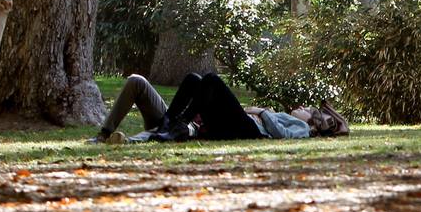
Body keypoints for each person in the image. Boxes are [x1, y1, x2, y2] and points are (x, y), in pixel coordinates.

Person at [87, 72, 312, 143]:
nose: (303, 107)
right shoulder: (284, 114)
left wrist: (262, 112)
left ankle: (171, 127)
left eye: (308, 109)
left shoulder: (303, 127)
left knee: (212, 79)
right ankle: (105, 133)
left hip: (246, 129)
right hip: (195, 120)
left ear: (312, 119)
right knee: (193, 79)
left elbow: (282, 135)